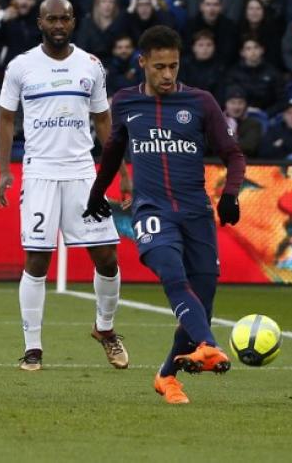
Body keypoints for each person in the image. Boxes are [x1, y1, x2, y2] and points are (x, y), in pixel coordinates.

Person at [84, 25, 245, 405]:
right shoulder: (123, 103)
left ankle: (167, 376)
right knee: (172, 273)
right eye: (159, 67)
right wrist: (96, 194)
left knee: (202, 299)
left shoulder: (200, 102)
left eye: (173, 66)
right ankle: (208, 345)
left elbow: (233, 155)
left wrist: (231, 194)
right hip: (151, 211)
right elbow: (110, 156)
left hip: (196, 214)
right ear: (142, 63)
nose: (168, 74)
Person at [0, 0, 131, 372]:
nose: (58, 24)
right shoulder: (21, 66)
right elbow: (6, 118)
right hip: (39, 173)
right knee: (37, 259)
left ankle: (105, 329)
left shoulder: (90, 65)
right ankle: (33, 347)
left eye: (65, 19)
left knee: (107, 256)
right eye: (52, 18)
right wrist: (5, 170)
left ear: (73, 22)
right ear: (40, 22)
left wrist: (119, 169)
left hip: (83, 173)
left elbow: (104, 120)